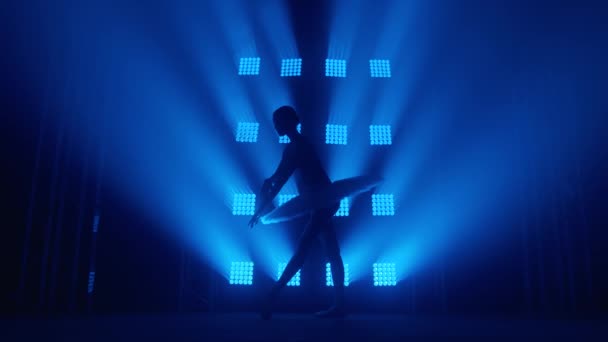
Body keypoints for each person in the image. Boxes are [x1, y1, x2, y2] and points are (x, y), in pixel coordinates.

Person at [248, 106, 346, 319]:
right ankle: (339, 305)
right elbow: (278, 177)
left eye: (277, 122)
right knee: (331, 252)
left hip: (322, 202)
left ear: (286, 122)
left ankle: (272, 296)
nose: (275, 126)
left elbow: (280, 181)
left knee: (303, 250)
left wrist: (259, 211)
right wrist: (269, 184)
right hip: (323, 201)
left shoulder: (296, 148)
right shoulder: (298, 145)